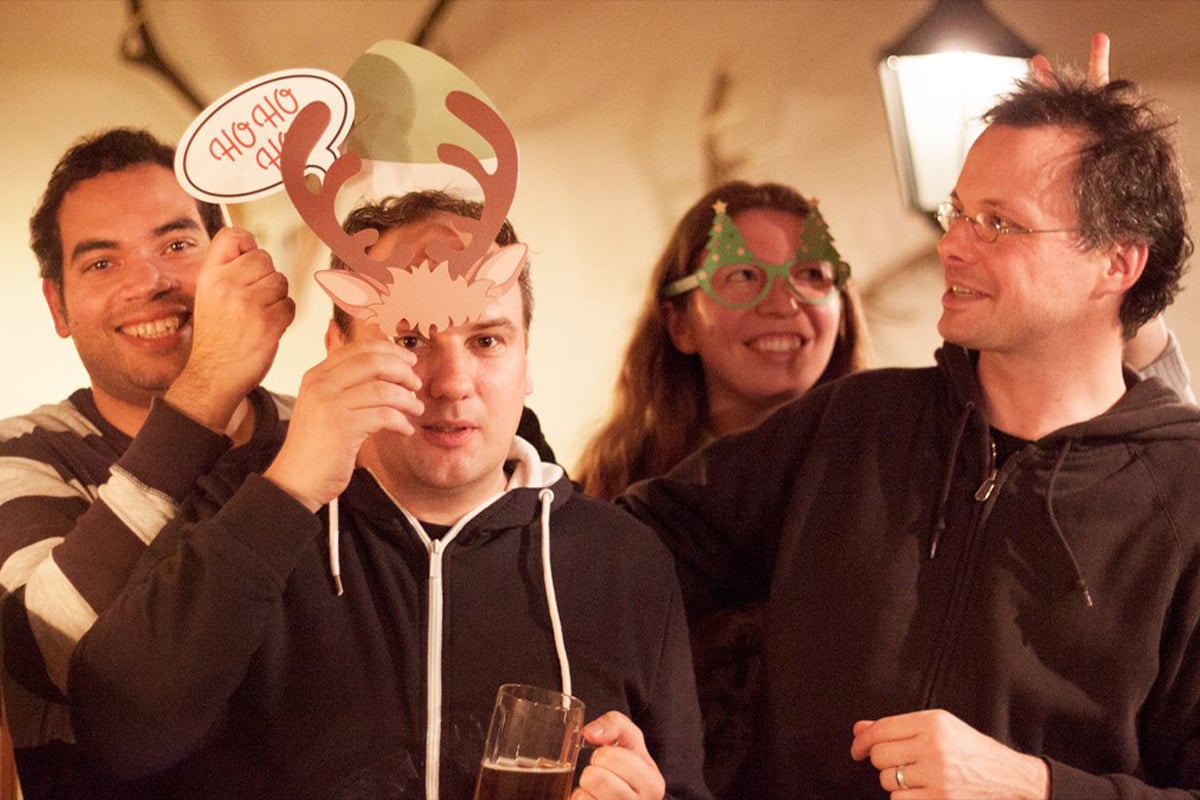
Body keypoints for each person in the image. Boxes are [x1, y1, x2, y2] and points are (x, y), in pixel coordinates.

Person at [620, 54, 1199, 800]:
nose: (951, 245)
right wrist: (497, 445)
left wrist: (1033, 787)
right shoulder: (855, 421)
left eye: (998, 223)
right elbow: (616, 554)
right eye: (958, 213)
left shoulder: (1184, 495)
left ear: (1117, 263)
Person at [66, 191, 710, 800]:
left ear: (526, 359)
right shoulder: (246, 505)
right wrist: (289, 492)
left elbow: (679, 784)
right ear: (336, 351)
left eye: (487, 340)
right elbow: (118, 736)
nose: (452, 382)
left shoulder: (622, 560)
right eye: (410, 340)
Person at [0, 128, 296, 798]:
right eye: (102, 263)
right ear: (58, 306)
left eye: (177, 245)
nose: (150, 282)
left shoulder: (321, 432)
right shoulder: (23, 456)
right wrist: (207, 389)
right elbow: (41, 651)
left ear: (230, 258)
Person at [574, 181, 870, 501]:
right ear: (679, 325)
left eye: (811, 274)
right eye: (743, 275)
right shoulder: (617, 493)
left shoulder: (888, 466)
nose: (783, 304)